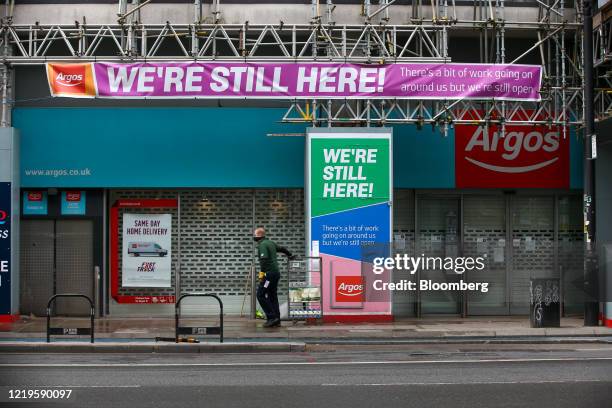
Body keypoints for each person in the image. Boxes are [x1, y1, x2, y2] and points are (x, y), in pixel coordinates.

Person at [253, 227, 294, 328]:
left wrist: (262, 274)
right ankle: (277, 320)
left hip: (269, 275)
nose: (253, 236)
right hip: (276, 273)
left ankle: (271, 318)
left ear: (258, 235)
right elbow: (282, 249)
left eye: (254, 234)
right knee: (272, 296)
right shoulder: (270, 243)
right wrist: (290, 255)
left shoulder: (262, 245)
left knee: (260, 295)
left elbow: (264, 260)